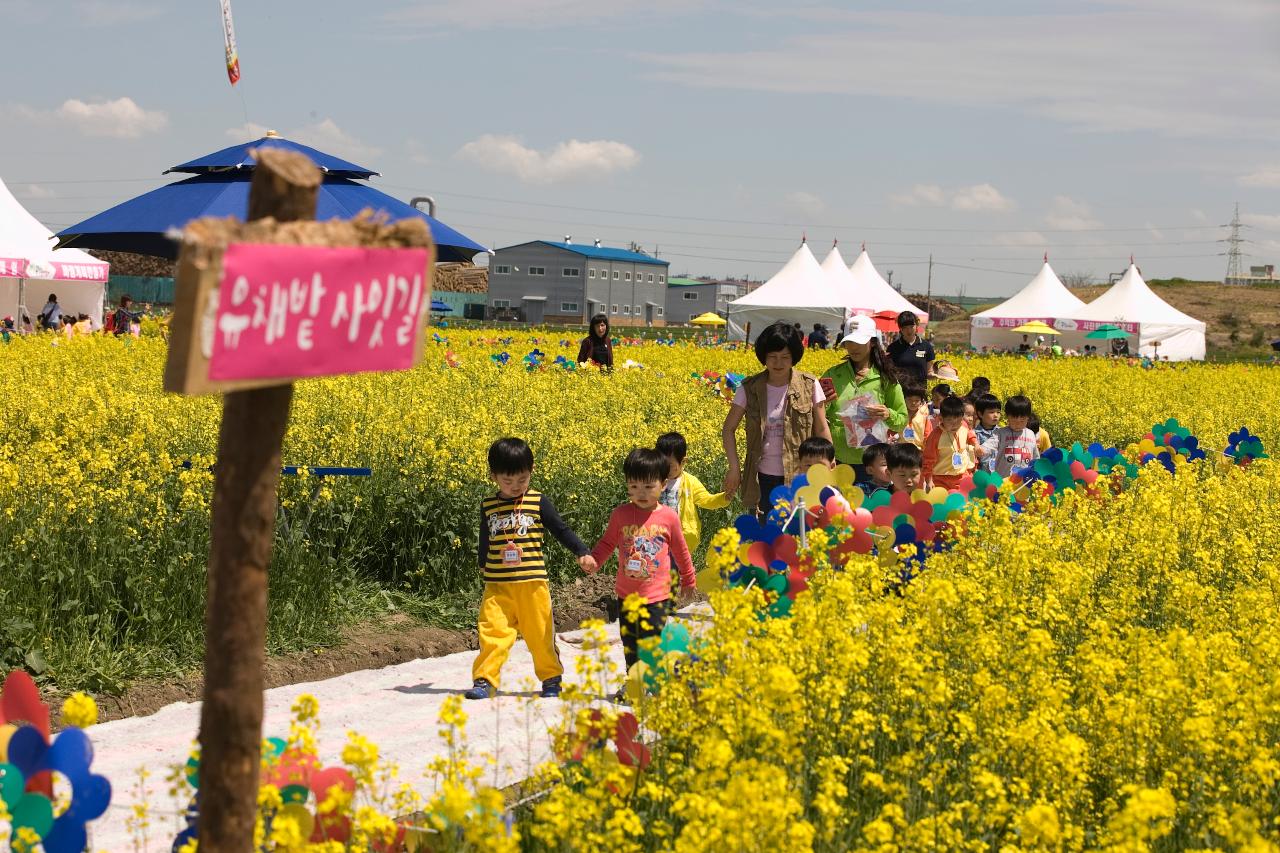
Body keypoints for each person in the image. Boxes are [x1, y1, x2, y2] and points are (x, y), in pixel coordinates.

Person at [465, 438, 597, 701]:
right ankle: (485, 679)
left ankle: (551, 677)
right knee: (492, 632)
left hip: (532, 583)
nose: (515, 487)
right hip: (497, 585)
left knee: (540, 634)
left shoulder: (538, 501)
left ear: (532, 471)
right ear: (493, 476)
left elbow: (561, 529)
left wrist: (582, 551)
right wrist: (482, 562)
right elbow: (485, 537)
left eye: (522, 480)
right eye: (507, 481)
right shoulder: (488, 505)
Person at [588, 448, 696, 687]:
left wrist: (689, 579)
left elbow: (681, 550)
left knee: (652, 641)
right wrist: (595, 560)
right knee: (630, 641)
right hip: (626, 595)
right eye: (634, 486)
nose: (641, 493)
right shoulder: (621, 514)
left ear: (663, 484)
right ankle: (634, 682)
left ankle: (654, 682)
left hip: (657, 596)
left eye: (648, 486)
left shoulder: (668, 517)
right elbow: (607, 542)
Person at [723, 321, 831, 516]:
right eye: (772, 357)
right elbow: (728, 428)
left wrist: (827, 466)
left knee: (802, 537)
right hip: (761, 479)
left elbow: (822, 429)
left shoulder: (810, 385)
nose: (778, 363)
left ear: (794, 357)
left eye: (785, 357)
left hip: (802, 476)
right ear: (763, 357)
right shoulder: (749, 388)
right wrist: (734, 468)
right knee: (764, 539)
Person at [821, 314, 907, 480]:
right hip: (836, 459)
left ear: (873, 342)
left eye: (859, 342)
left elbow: (902, 420)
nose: (853, 347)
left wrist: (887, 414)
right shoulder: (832, 374)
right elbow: (819, 414)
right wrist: (823, 404)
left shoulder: (886, 378)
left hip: (872, 463)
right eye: (849, 342)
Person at [656, 432, 730, 553]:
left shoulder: (690, 482)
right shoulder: (654, 480)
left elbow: (706, 500)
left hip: (682, 537)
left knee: (677, 569)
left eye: (669, 465)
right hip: (656, 535)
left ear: (683, 461)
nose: (664, 469)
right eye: (660, 464)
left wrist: (723, 498)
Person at [923, 396, 982, 490]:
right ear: (941, 418)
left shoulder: (963, 426)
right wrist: (928, 480)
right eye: (950, 421)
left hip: (962, 476)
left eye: (958, 420)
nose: (954, 425)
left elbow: (970, 435)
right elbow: (928, 460)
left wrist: (976, 445)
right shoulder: (935, 436)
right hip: (941, 478)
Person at [980, 395, 1040, 477]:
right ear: (1007, 417)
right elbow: (988, 446)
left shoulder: (1031, 434)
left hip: (1024, 482)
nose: (1018, 424)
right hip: (1004, 481)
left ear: (1028, 418)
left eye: (1022, 421)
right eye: (1014, 421)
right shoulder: (1001, 433)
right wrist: (980, 450)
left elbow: (1035, 457)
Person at [886, 310, 935, 386]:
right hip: (900, 393)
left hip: (919, 393)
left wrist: (934, 375)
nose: (909, 330)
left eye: (911, 326)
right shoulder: (892, 348)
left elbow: (929, 371)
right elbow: (889, 371)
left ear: (916, 325)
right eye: (905, 327)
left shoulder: (926, 346)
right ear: (900, 329)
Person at [973, 394, 1002, 472]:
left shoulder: (1002, 433)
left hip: (999, 475)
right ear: (980, 414)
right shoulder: (974, 435)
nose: (996, 415)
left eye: (998, 412)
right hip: (982, 475)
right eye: (991, 412)